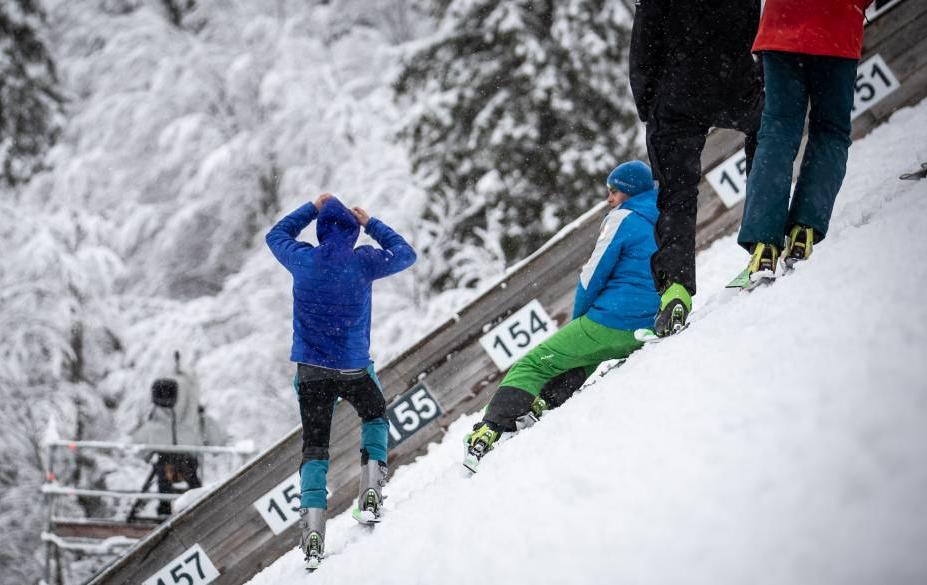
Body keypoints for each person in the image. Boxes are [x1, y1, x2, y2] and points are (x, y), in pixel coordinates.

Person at [464, 161, 660, 470]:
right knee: (583, 355)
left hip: (613, 318)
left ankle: (489, 428)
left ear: (629, 191)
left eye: (613, 192)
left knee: (531, 364)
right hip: (648, 322)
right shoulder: (661, 214)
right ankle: (543, 401)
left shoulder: (623, 218)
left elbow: (591, 276)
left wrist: (581, 320)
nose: (608, 199)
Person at [265, 193, 416, 569]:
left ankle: (313, 534)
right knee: (375, 416)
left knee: (315, 447)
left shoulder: (303, 259)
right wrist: (371, 224)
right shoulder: (363, 261)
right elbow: (405, 253)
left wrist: (312, 208)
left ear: (319, 230)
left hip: (311, 372)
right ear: (351, 231)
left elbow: (275, 235)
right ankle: (371, 494)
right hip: (353, 368)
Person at [630, 0, 764, 335]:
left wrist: (649, 102)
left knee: (676, 196)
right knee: (767, 131)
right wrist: (742, 62)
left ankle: (675, 289)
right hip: (731, 77)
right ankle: (767, 235)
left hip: (676, 89)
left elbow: (644, 41)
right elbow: (751, 19)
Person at [730, 0, 874, 288]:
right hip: (838, 24)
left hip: (782, 24)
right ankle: (804, 229)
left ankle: (764, 246)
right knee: (830, 130)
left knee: (777, 132)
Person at [130, 351, 227, 516]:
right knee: (191, 483)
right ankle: (200, 511)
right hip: (187, 455)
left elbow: (138, 446)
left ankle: (165, 510)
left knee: (164, 475)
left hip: (165, 456)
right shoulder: (194, 416)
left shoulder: (156, 420)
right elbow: (218, 438)